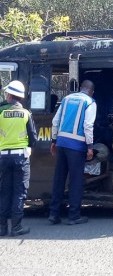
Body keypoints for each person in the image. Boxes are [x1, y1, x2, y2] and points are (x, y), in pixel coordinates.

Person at [49, 80, 96, 225]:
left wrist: (54, 140)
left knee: (59, 179)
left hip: (62, 143)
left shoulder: (66, 99)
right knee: (75, 181)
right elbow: (88, 126)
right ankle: (74, 216)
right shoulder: (90, 102)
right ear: (91, 91)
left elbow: (55, 121)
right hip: (76, 146)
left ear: (81, 88)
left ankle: (54, 214)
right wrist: (90, 146)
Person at [0, 80, 37, 236]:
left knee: (4, 192)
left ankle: (1, 228)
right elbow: (33, 138)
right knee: (19, 192)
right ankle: (16, 227)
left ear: (9, 95)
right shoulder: (26, 114)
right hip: (21, 158)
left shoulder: (1, 112)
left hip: (2, 158)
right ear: (20, 97)